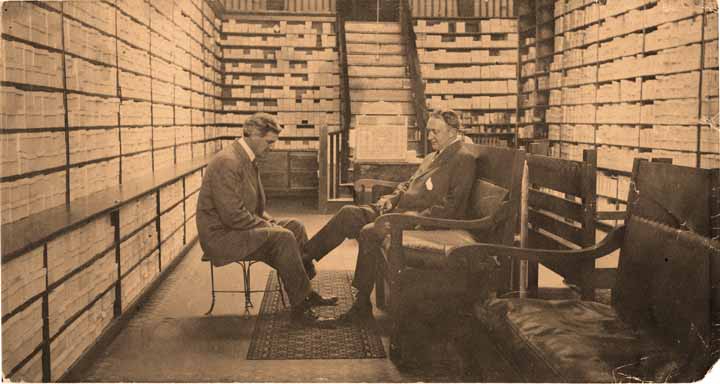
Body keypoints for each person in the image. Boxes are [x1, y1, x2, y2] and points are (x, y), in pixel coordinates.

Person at [302, 109, 477, 324]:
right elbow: (408, 184)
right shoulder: (433, 156)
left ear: (452, 132)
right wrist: (391, 198)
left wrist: (415, 217)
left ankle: (361, 305)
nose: (430, 136)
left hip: (420, 221)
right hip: (398, 211)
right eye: (428, 131)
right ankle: (304, 260)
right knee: (349, 213)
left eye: (435, 132)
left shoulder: (463, 159)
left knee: (369, 232)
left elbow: (453, 205)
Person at [196, 113, 337, 327]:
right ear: (253, 134)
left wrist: (270, 221)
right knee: (283, 238)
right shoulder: (228, 162)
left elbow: (256, 207)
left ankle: (304, 291)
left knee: (294, 227)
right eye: (269, 142)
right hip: (222, 236)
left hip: (238, 228)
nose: (272, 147)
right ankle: (300, 310)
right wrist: (269, 226)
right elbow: (233, 215)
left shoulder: (245, 158)